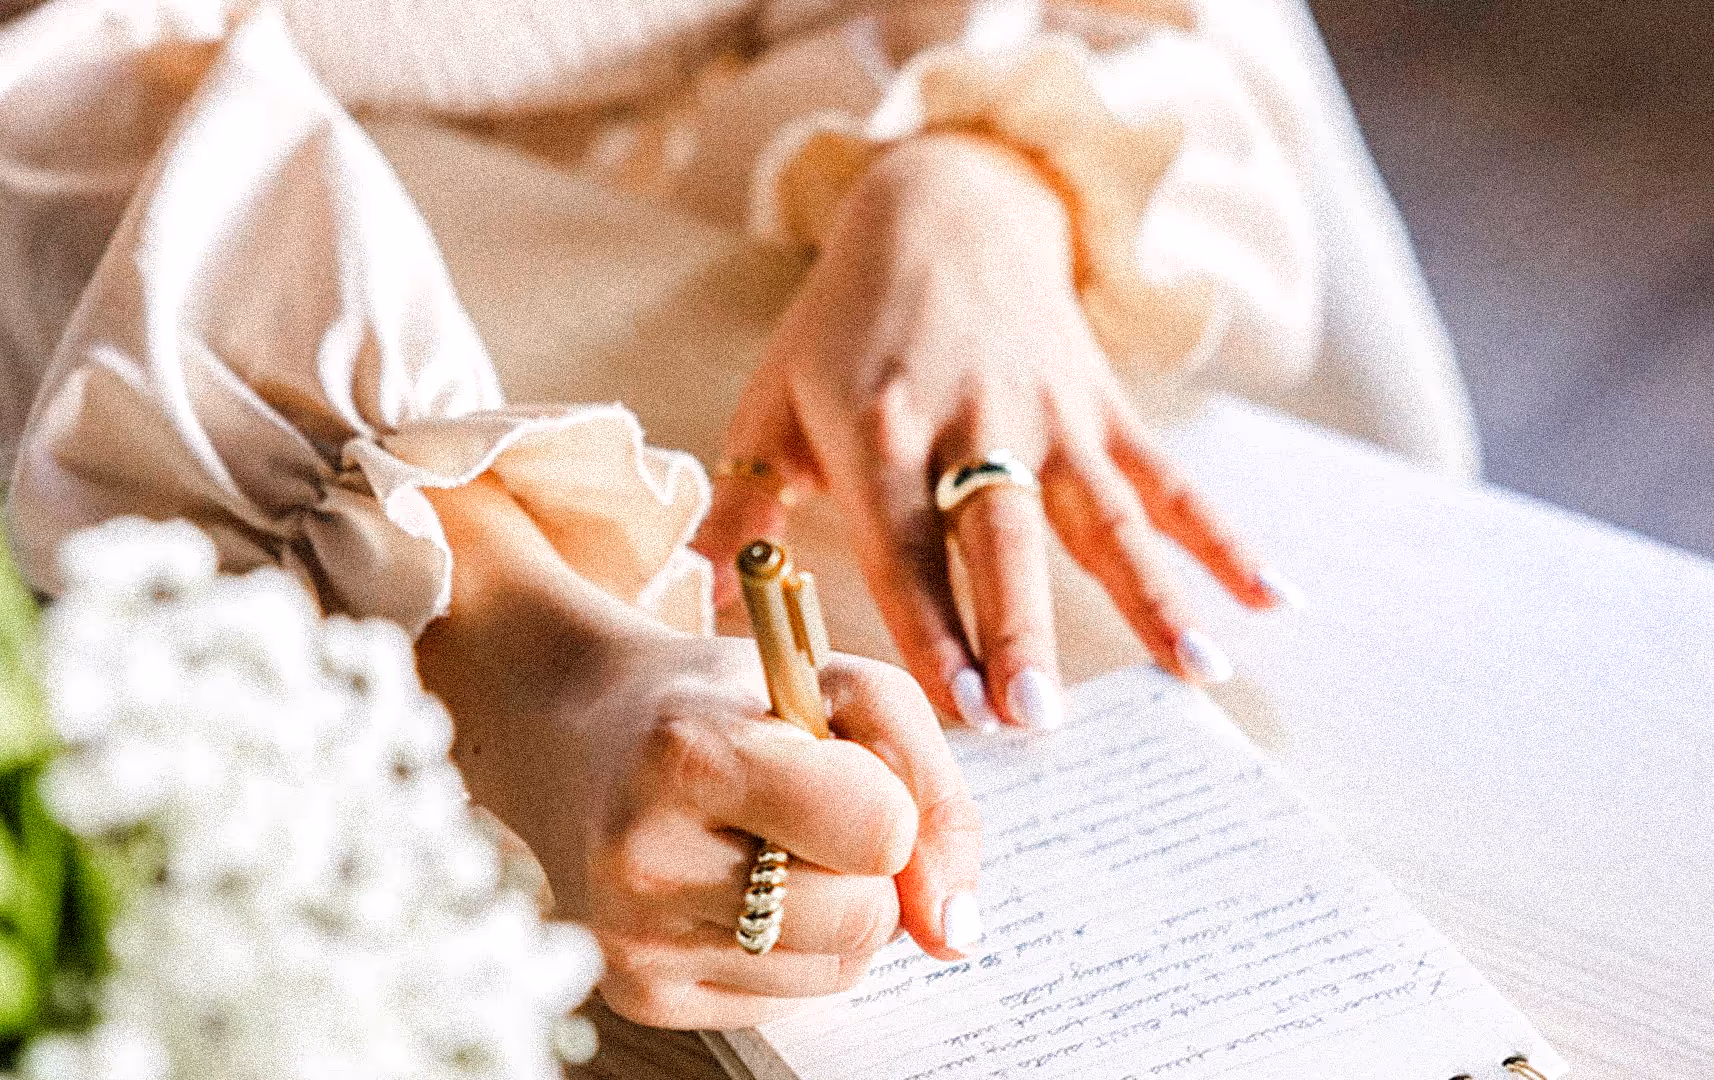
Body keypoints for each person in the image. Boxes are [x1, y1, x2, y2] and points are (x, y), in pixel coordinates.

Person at [0, 0, 1469, 1031]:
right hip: (200, 327)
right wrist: (523, 631)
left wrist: (974, 181)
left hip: (777, 277)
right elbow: (51, 99)